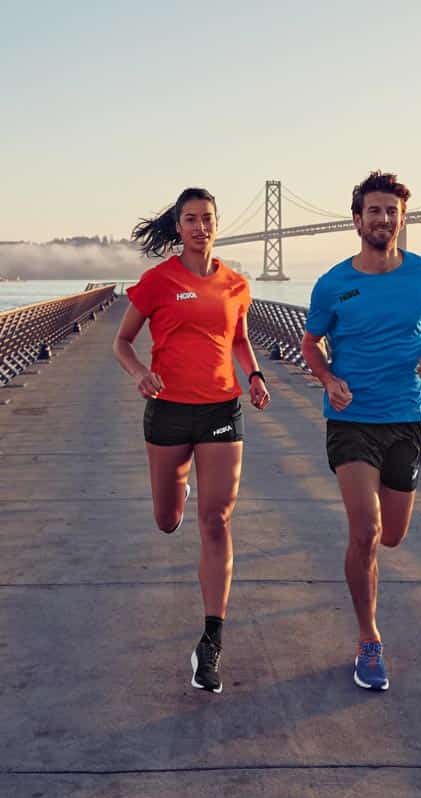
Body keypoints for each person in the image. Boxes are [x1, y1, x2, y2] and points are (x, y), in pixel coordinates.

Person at [299, 171, 421, 691]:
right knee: (364, 531)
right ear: (357, 219)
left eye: (392, 211)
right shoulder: (332, 284)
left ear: (402, 218)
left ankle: (369, 623)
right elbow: (309, 343)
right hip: (350, 420)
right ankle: (369, 639)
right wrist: (327, 377)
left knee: (392, 535)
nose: (383, 219)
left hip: (406, 417)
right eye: (374, 211)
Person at [113, 187, 271, 694]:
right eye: (190, 219)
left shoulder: (235, 284)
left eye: (207, 218)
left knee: (217, 519)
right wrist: (139, 371)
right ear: (177, 227)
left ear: (217, 224)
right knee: (167, 521)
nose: (200, 226)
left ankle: (211, 641)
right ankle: (174, 492)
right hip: (168, 413)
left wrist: (256, 375)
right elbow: (122, 340)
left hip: (222, 411)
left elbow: (240, 339)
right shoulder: (158, 281)